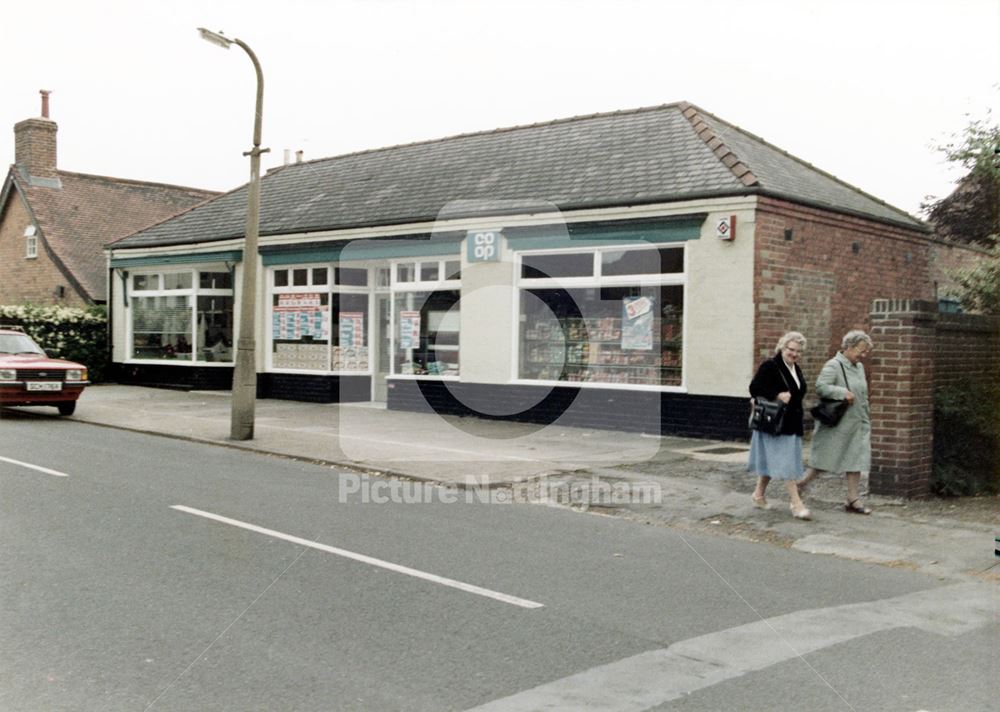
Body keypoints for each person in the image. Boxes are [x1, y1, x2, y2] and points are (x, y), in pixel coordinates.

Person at [797, 330, 874, 514]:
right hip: (838, 423)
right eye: (860, 351)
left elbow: (862, 395)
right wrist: (842, 393)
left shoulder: (859, 367)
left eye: (865, 352)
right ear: (848, 347)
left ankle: (852, 499)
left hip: (857, 421)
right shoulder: (834, 365)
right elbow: (821, 387)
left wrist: (866, 417)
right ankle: (801, 484)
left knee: (855, 459)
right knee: (825, 459)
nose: (863, 356)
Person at [748, 332, 812, 520]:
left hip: (791, 423)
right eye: (791, 349)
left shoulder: (795, 368)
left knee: (774, 461)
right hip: (777, 423)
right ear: (782, 348)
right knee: (787, 464)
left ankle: (758, 495)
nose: (794, 354)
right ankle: (796, 504)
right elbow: (754, 388)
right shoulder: (771, 365)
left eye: (798, 351)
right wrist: (776, 395)